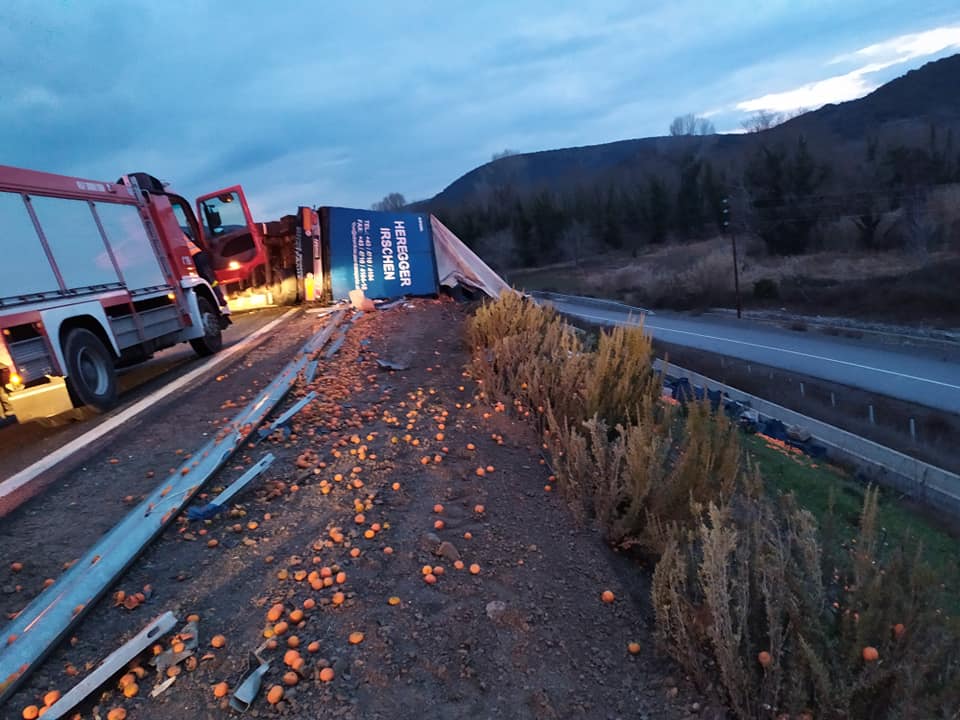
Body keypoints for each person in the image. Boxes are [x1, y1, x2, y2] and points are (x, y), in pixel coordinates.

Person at [184, 233, 229, 311]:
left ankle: (220, 301)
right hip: (198, 255)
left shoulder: (171, 234)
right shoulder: (180, 233)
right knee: (210, 279)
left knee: (208, 279)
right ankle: (220, 299)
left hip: (195, 257)